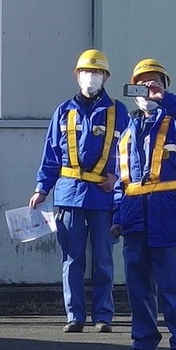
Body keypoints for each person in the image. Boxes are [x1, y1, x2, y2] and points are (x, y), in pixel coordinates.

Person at [111, 59, 176, 350]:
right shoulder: (127, 130)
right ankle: (143, 343)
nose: (147, 91)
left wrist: (167, 100)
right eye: (142, 85)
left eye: (154, 84)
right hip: (136, 218)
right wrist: (117, 217)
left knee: (175, 286)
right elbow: (120, 178)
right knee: (138, 288)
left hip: (171, 217)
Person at [31, 50, 125, 333]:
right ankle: (75, 315)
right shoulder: (64, 111)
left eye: (96, 72)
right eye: (86, 72)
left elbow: (129, 153)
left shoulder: (117, 111)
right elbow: (51, 154)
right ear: (77, 75)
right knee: (72, 259)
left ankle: (103, 316)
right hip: (70, 194)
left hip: (103, 196)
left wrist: (117, 177)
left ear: (105, 77)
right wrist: (41, 188)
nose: (91, 77)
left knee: (103, 260)